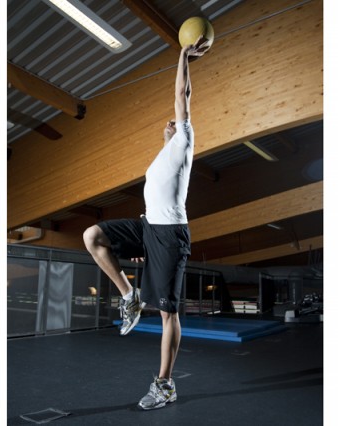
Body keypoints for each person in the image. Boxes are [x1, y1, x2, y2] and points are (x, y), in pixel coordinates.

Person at [82, 36, 210, 410]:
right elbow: (156, 194)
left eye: (177, 125)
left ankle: (165, 384)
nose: (172, 124)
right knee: (93, 235)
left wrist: (184, 56)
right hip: (149, 227)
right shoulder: (165, 152)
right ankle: (128, 296)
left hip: (170, 234)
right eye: (171, 127)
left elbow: (183, 93)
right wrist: (142, 241)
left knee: (169, 312)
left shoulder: (185, 140)